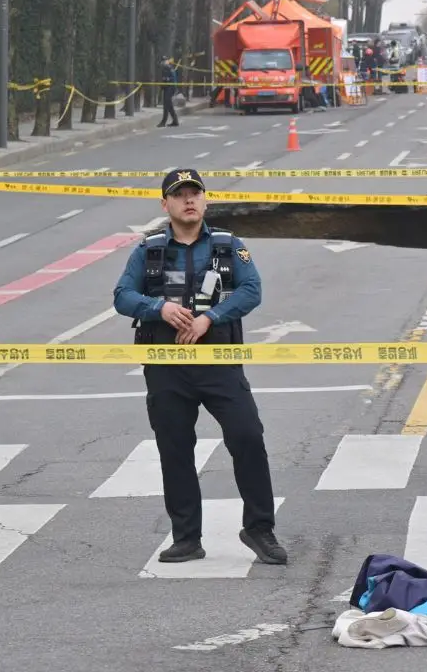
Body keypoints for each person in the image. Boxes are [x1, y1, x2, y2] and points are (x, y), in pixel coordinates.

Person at [112, 168, 287, 566]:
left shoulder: (228, 245)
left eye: (195, 193)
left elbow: (251, 289)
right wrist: (159, 308)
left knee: (247, 436)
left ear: (205, 200)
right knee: (174, 449)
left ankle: (259, 529)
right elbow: (123, 296)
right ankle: (186, 537)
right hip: (167, 365)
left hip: (219, 362)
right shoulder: (149, 250)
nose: (189, 200)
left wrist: (211, 317)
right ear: (165, 205)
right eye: (179, 195)